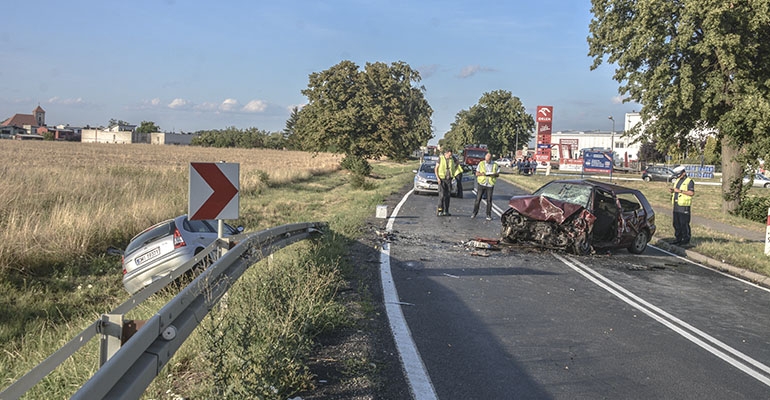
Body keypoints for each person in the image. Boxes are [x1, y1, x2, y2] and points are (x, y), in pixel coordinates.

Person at [669, 165, 695, 245]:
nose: (678, 176)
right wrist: (673, 191)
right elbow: (676, 190)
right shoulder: (677, 180)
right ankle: (678, 238)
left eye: (679, 174)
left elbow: (691, 193)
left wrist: (680, 191)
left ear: (683, 173)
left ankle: (685, 240)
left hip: (684, 206)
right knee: (676, 223)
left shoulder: (689, 181)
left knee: (684, 223)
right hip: (676, 204)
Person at [472, 152, 499, 220]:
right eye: (487, 159)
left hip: (490, 184)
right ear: (485, 158)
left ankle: (488, 215)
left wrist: (493, 174)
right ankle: (474, 213)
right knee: (478, 199)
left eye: (489, 159)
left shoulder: (495, 164)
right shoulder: (481, 164)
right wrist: (481, 174)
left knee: (489, 200)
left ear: (491, 159)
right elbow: (477, 173)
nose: (488, 160)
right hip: (482, 183)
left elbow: (497, 174)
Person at [435, 149, 457, 216]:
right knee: (441, 196)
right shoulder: (440, 158)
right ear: (446, 153)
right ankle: (440, 210)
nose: (450, 156)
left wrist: (453, 171)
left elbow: (457, 163)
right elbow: (436, 169)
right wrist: (438, 178)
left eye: (451, 155)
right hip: (442, 179)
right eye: (449, 155)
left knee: (447, 196)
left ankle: (446, 211)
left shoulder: (452, 159)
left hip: (449, 179)